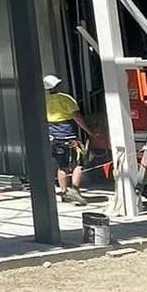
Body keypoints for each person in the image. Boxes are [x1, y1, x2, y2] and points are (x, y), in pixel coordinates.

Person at [44, 74, 91, 202]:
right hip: (68, 136)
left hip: (53, 137)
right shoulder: (66, 99)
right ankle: (74, 190)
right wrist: (88, 131)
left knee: (62, 166)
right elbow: (77, 117)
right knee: (79, 163)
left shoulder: (44, 101)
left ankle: (64, 193)